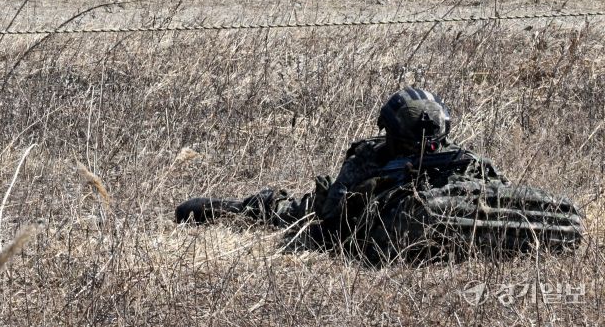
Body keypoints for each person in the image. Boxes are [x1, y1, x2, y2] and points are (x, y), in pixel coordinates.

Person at [175, 88, 582, 261]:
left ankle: (234, 208)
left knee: (294, 210)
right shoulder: (467, 160)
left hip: (370, 228)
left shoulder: (370, 159)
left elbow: (329, 220)